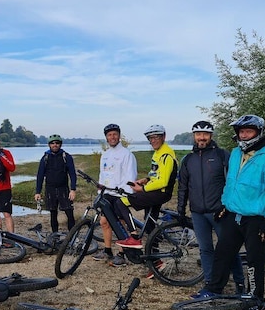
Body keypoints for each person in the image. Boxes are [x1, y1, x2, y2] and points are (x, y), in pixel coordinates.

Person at [192, 115, 265, 301]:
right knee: (223, 252)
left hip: (257, 217)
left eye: (248, 131)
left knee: (254, 259)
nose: (244, 135)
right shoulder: (236, 154)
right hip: (233, 213)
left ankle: (254, 297)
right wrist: (225, 205)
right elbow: (231, 183)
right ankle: (213, 289)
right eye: (241, 131)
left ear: (258, 133)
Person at [175, 120, 244, 292]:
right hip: (198, 213)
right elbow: (183, 186)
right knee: (205, 250)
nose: (202, 138)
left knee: (229, 248)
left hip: (220, 211)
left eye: (205, 134)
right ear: (194, 136)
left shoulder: (222, 155)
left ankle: (240, 283)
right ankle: (210, 284)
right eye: (198, 134)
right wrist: (180, 211)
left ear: (211, 136)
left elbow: (233, 182)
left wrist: (229, 206)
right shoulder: (188, 159)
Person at [109, 124, 177, 269]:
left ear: (163, 137)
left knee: (121, 203)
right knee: (151, 225)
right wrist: (145, 180)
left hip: (159, 193)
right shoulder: (157, 153)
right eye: (150, 138)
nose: (153, 140)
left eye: (156, 137)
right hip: (157, 192)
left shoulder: (166, 155)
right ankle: (156, 262)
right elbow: (156, 174)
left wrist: (143, 188)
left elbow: (163, 181)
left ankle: (134, 237)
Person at [91, 123, 138, 262]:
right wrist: (100, 191)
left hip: (119, 194)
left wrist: (125, 193)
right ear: (106, 137)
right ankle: (107, 251)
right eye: (109, 135)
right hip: (107, 193)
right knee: (104, 222)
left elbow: (131, 175)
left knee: (119, 223)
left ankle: (122, 254)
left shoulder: (127, 154)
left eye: (115, 134)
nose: (112, 137)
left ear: (119, 136)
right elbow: (102, 175)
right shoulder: (105, 155)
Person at [34, 134, 77, 233]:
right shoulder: (45, 157)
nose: (55, 145)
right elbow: (40, 176)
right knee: (53, 214)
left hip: (63, 189)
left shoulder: (66, 156)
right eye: (52, 143)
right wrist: (38, 192)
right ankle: (55, 236)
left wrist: (73, 189)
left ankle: (73, 236)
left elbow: (72, 174)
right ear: (49, 145)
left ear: (60, 144)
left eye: (57, 143)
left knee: (69, 212)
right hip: (50, 189)